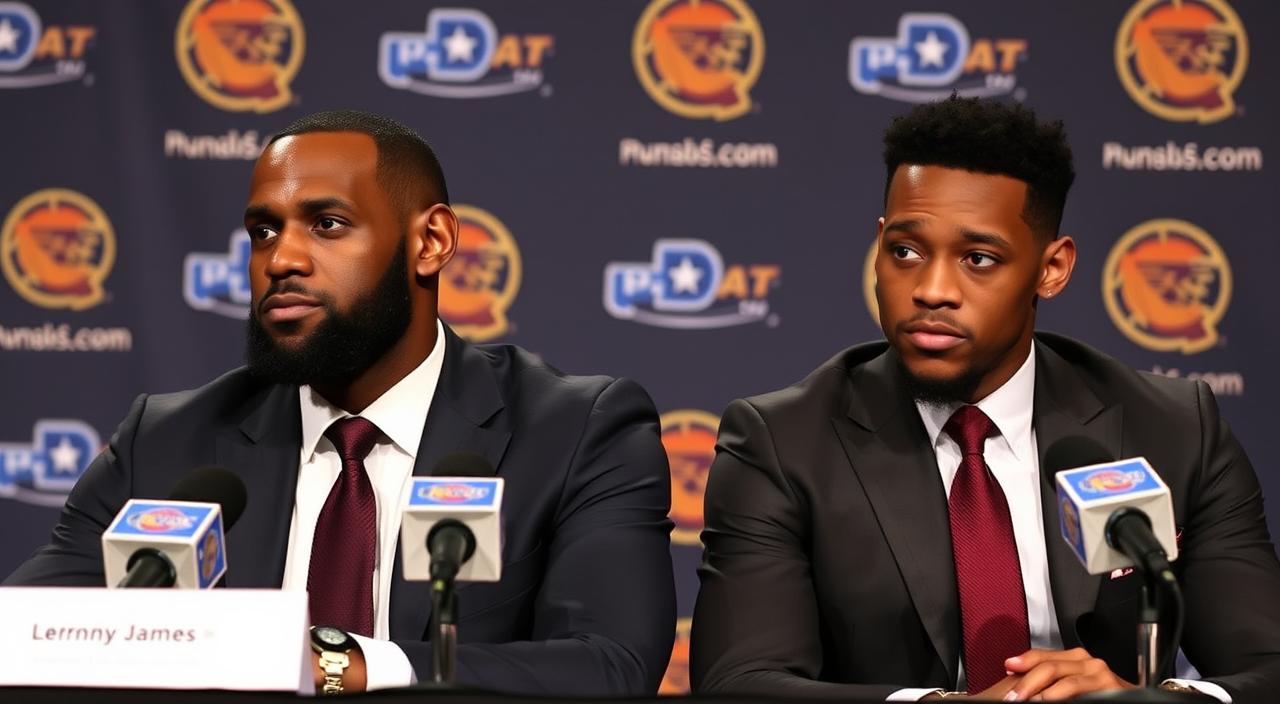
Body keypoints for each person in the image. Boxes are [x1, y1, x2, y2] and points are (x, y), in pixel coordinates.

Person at [6, 110, 676, 696]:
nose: (281, 260)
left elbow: (608, 667)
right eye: (263, 231)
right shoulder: (166, 442)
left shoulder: (575, 431)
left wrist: (342, 663)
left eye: (326, 224)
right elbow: (22, 639)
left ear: (431, 242)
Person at [690, 97, 1280, 703]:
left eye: (978, 259)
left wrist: (1139, 701)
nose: (932, 289)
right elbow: (741, 682)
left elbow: (1268, 665)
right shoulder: (784, 442)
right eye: (906, 251)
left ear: (1051, 269)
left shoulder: (1175, 428)